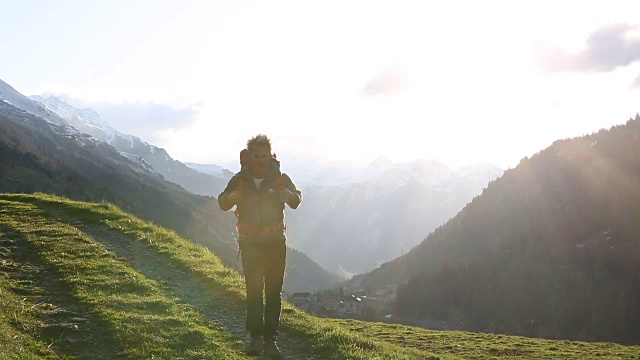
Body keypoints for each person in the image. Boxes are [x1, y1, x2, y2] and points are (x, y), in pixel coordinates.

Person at [218, 134, 302, 359]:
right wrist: (231, 198)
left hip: (275, 243)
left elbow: (296, 200)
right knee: (254, 292)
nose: (262, 160)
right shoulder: (240, 180)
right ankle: (256, 338)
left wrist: (290, 195)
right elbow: (221, 201)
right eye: (257, 156)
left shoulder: (280, 178)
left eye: (265, 156)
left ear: (270, 155)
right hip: (251, 244)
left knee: (273, 293)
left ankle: (269, 340)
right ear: (250, 156)